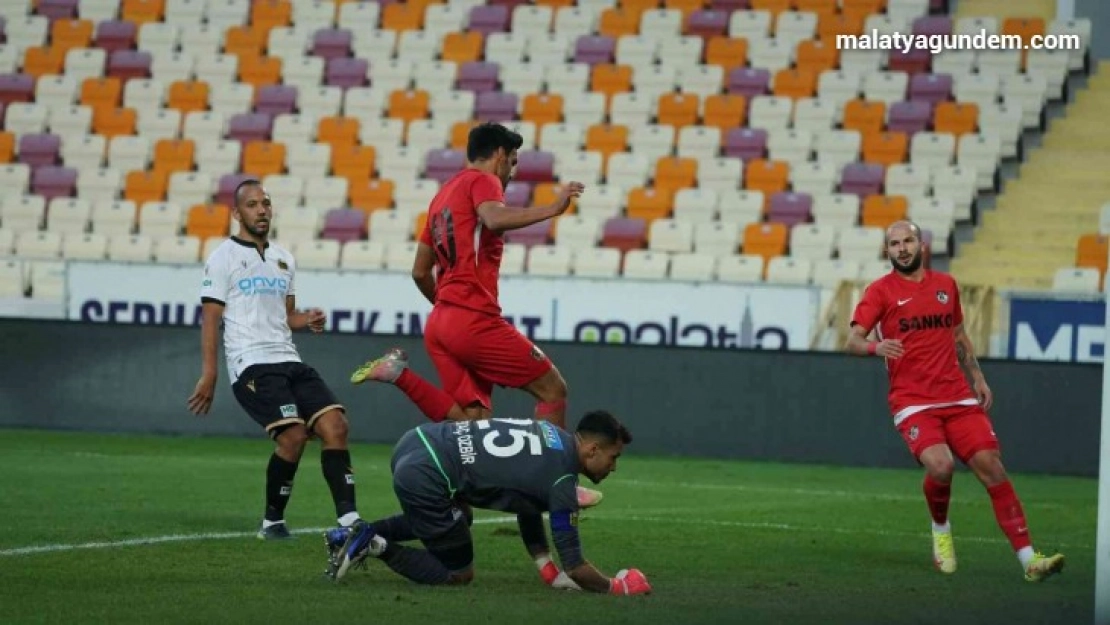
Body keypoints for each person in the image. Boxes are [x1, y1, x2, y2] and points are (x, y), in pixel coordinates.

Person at [352, 123, 599, 584]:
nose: (511, 173)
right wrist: (555, 207)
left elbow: (419, 270)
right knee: (553, 388)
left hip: (441, 320)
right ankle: (556, 479)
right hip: (471, 316)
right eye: (513, 162)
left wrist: (445, 310)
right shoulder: (481, 181)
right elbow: (494, 218)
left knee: (472, 426)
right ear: (500, 154)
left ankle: (400, 375)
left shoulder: (440, 197)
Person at [846, 219, 1065, 582]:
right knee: (941, 466)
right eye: (894, 244)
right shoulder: (880, 291)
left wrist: (977, 376)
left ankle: (1030, 560)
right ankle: (941, 529)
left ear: (921, 245)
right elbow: (852, 341)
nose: (901, 248)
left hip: (957, 397)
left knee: (992, 467)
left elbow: (959, 335)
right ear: (887, 251)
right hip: (913, 401)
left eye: (908, 241)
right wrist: (874, 346)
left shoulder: (946, 286)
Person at [327, 354, 650, 596]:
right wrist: (619, 586)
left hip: (418, 440)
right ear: (592, 449)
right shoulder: (563, 482)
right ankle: (375, 544)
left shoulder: (550, 433)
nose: (614, 466)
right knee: (458, 573)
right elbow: (577, 567)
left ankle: (353, 534)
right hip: (429, 474)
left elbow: (528, 505)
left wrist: (547, 571)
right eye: (613, 457)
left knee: (459, 516)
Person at [187, 179, 363, 540]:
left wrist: (306, 319)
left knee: (337, 426)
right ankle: (272, 521)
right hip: (251, 364)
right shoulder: (222, 258)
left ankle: (350, 520)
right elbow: (210, 319)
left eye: (265, 203)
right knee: (294, 436)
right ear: (237, 213)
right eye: (252, 205)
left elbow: (287, 317)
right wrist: (210, 373)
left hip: (289, 359)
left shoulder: (284, 258)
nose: (262, 210)